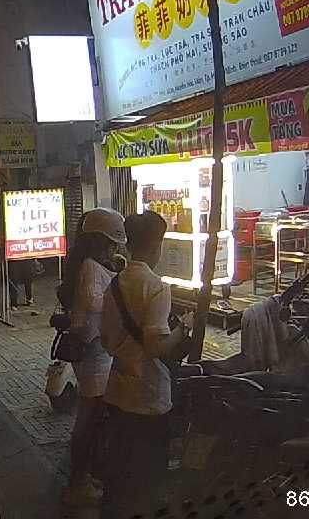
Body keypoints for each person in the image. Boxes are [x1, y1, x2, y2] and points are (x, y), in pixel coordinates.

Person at [100, 211, 193, 516]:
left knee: (119, 470)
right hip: (149, 394)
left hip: (117, 389)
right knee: (148, 473)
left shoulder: (114, 284)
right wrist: (183, 329)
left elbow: (106, 340)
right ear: (156, 246)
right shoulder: (156, 287)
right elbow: (155, 346)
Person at [59, 208, 128, 507]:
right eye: (112, 243)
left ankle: (84, 475)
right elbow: (92, 300)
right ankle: (78, 481)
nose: (114, 249)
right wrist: (121, 291)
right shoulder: (89, 265)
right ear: (100, 241)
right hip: (93, 349)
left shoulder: (89, 262)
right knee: (89, 416)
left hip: (94, 347)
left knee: (93, 414)